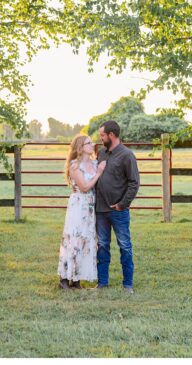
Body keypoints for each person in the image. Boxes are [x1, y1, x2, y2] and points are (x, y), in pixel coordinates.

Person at [94, 120, 140, 293]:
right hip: (100, 210)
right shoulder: (101, 153)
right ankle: (102, 283)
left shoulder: (127, 155)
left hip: (118, 211)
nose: (101, 138)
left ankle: (128, 284)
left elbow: (134, 183)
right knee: (103, 246)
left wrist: (122, 204)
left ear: (111, 135)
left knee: (125, 246)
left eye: (102, 135)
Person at [58, 134, 105, 289]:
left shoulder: (94, 162)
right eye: (88, 143)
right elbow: (84, 187)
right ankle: (65, 277)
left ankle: (76, 278)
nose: (92, 144)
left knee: (87, 240)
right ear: (80, 148)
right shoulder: (75, 166)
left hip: (91, 205)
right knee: (74, 239)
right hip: (79, 204)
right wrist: (98, 173)